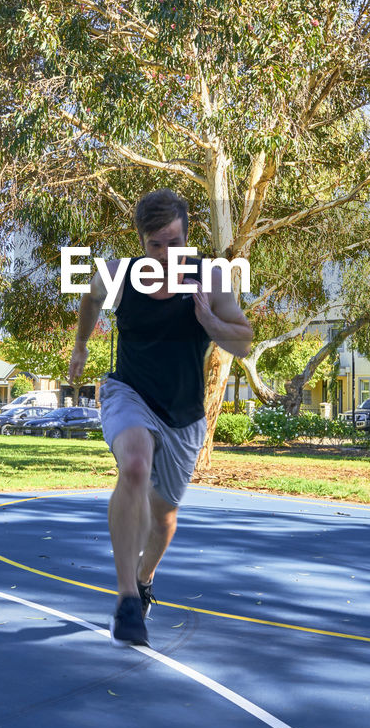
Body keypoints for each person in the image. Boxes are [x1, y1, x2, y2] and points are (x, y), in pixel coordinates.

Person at [68, 189, 253, 647]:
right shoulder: (118, 275)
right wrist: (81, 346)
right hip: (129, 393)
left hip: (185, 415)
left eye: (173, 242)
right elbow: (90, 299)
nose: (165, 254)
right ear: (142, 243)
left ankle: (145, 578)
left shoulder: (210, 279)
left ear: (187, 239)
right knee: (133, 465)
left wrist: (211, 324)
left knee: (164, 516)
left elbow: (243, 341)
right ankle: (128, 599)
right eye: (155, 245)